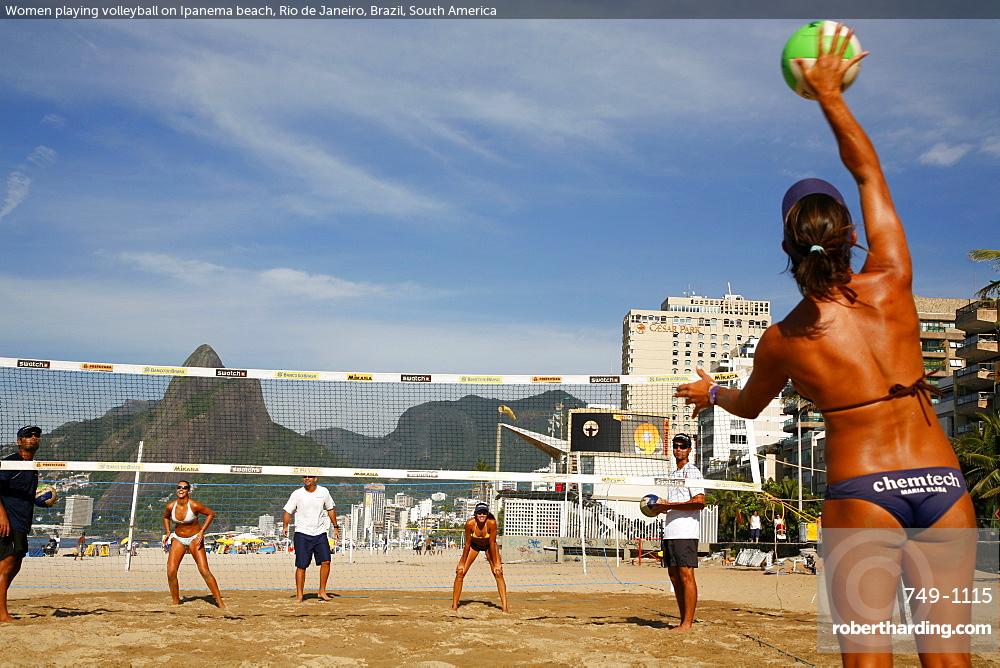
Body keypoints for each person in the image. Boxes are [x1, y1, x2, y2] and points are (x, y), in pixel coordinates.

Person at [676, 25, 976, 664]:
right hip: (943, 483)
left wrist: (710, 392)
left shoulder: (782, 338)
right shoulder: (893, 279)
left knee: (866, 659)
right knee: (950, 658)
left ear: (788, 249)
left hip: (864, 489)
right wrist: (830, 96)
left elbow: (749, 407)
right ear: (851, 235)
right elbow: (867, 169)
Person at [648, 433, 705, 632]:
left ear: (690, 450)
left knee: (686, 575)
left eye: (683, 446)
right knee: (674, 577)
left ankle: (687, 623)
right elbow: (673, 506)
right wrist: (659, 507)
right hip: (670, 532)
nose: (679, 449)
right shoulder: (673, 475)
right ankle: (683, 620)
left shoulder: (693, 472)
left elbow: (699, 502)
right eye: (676, 446)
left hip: (686, 532)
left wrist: (669, 505)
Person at [0, 426, 46, 622]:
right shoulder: (10, 463)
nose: (33, 438)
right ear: (19, 441)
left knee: (16, 564)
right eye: (28, 435)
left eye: (36, 435)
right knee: (7, 565)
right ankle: (2, 614)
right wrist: (1, 516)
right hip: (8, 521)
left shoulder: (33, 467)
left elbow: (24, 494)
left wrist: (42, 499)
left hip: (22, 522)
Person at [162, 480, 226, 609]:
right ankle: (176, 602)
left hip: (194, 538)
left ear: (188, 490)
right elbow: (166, 517)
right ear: (176, 489)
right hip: (178, 538)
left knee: (204, 570)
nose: (181, 489)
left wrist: (202, 532)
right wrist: (168, 532)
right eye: (179, 487)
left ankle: (220, 602)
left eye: (184, 488)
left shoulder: (194, 505)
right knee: (171, 571)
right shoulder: (170, 506)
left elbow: (211, 514)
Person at [283, 475, 340, 602]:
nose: (307, 478)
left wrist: (336, 526)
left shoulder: (324, 491)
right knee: (301, 565)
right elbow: (288, 511)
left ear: (316, 478)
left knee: (326, 561)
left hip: (320, 533)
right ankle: (299, 595)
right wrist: (285, 525)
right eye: (305, 476)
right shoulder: (297, 494)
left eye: (310, 476)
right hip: (302, 533)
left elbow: (330, 509)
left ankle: (322, 591)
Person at [451, 503, 509, 613]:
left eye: (484, 512)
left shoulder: (491, 523)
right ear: (475, 514)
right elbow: (467, 544)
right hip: (474, 546)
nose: (482, 515)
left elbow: (492, 544)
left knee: (498, 572)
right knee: (460, 572)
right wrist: (462, 562)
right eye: (479, 513)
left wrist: (497, 562)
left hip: (489, 547)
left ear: (487, 514)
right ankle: (454, 606)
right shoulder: (470, 524)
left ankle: (505, 608)